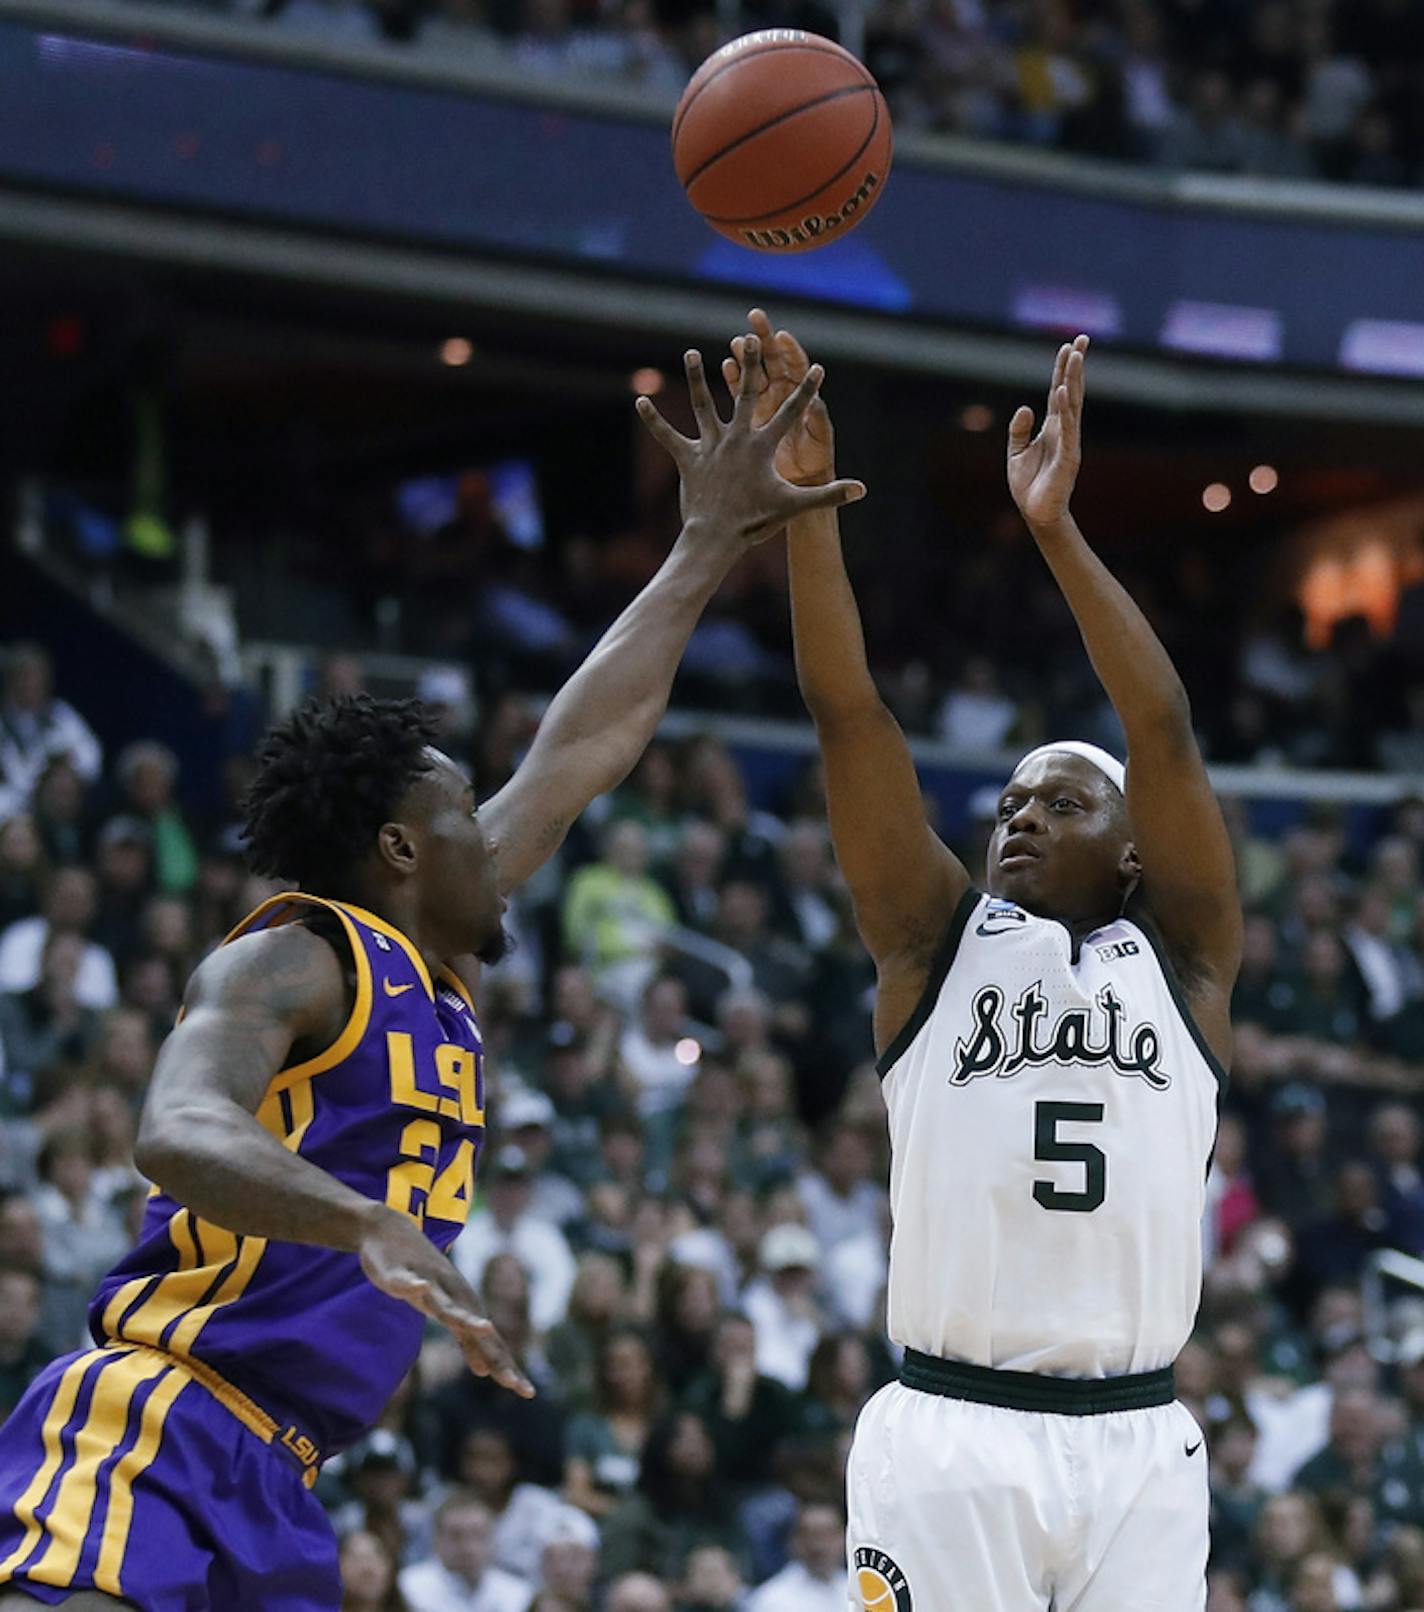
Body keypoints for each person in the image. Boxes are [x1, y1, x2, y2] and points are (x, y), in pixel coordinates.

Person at [0, 340, 865, 1612]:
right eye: (466, 811)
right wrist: (365, 1221)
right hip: (156, 1419)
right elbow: (175, 1127)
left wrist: (706, 544)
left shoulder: (431, 949)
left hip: (285, 1475)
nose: (497, 829)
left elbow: (588, 739)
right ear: (402, 848)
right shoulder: (291, 956)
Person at [717, 311, 1241, 1610]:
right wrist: (807, 518)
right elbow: (851, 714)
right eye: (1010, 800)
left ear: (1133, 853)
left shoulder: (1189, 969)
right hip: (954, 1432)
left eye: (1063, 803)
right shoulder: (932, 943)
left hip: (1138, 1443)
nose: (1020, 815)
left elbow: (1162, 728)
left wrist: (1056, 532)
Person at [398, 1492, 531, 1612]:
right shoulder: (407, 1589)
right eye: (456, 1536)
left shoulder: (519, 1594)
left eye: (478, 1535)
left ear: (493, 1539)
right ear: (436, 1540)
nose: (468, 1547)